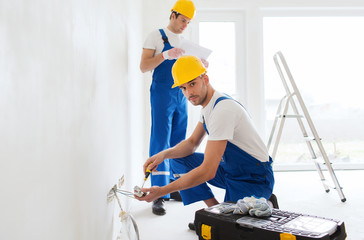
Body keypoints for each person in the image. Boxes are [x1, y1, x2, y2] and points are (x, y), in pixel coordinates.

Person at [136, 55, 275, 215]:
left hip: (254, 176)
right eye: (183, 88)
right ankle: (214, 210)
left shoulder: (222, 110)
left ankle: (267, 202)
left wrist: (162, 190)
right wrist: (163, 154)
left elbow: (208, 171)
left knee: (236, 227)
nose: (189, 93)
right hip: (231, 169)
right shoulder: (208, 106)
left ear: (205, 79)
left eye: (192, 84)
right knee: (178, 160)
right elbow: (192, 143)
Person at [139, 0, 197, 216]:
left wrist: (200, 65)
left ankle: (172, 186)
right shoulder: (156, 36)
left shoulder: (184, 42)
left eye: (188, 22)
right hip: (162, 92)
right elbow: (144, 66)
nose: (185, 25)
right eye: (183, 20)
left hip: (181, 94)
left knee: (178, 141)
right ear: (173, 15)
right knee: (160, 139)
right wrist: (164, 55)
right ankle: (158, 195)